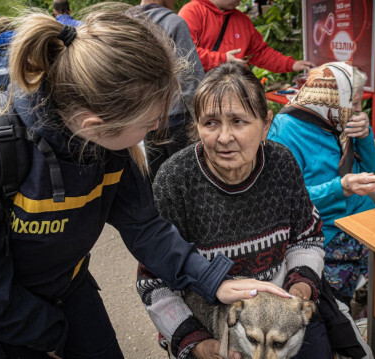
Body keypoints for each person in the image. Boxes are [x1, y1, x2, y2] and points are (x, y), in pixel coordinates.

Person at [0, 8, 288, 359]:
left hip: (67, 288)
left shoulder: (110, 142)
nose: (157, 129)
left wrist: (214, 280)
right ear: (94, 125)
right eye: (148, 122)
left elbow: (144, 226)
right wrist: (54, 336)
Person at [137, 63, 332, 359]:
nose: (224, 137)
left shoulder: (281, 164)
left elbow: (307, 237)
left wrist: (301, 284)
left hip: (281, 317)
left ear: (266, 125)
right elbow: (153, 280)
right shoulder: (175, 179)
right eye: (211, 123)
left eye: (239, 121)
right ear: (196, 126)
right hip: (205, 317)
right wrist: (197, 342)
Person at [268, 62, 375, 305]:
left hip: (360, 215)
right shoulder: (285, 131)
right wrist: (342, 187)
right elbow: (289, 201)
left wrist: (365, 136)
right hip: (325, 228)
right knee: (331, 302)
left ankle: (373, 307)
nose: (359, 111)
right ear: (330, 98)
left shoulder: (335, 119)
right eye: (353, 103)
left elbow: (369, 168)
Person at [132, 0, 205, 179]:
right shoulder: (174, 23)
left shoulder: (126, 22)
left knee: (158, 179)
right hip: (178, 119)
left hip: (142, 120)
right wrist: (202, 118)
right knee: (188, 179)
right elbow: (190, 78)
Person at [178, 0, 315, 72]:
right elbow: (184, 54)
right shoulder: (192, 12)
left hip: (235, 91)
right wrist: (223, 59)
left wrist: (291, 64)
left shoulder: (242, 20)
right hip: (203, 94)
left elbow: (260, 53)